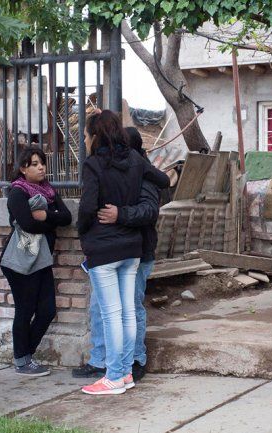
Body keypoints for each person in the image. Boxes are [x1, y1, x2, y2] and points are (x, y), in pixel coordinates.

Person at [76, 111, 167, 395]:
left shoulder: (93, 165)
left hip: (104, 249)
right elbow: (163, 180)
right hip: (131, 249)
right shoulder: (136, 161)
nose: (86, 139)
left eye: (87, 134)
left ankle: (113, 376)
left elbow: (88, 207)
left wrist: (84, 233)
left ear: (96, 135)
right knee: (127, 313)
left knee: (112, 315)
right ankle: (125, 373)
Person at [0, 146, 72, 377]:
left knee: (47, 310)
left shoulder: (48, 191)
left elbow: (67, 217)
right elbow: (28, 225)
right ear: (23, 169)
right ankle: (22, 360)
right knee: (25, 309)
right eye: (34, 163)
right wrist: (52, 220)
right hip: (21, 262)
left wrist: (46, 216)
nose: (41, 167)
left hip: (41, 260)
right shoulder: (17, 193)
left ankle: (24, 355)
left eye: (41, 162)